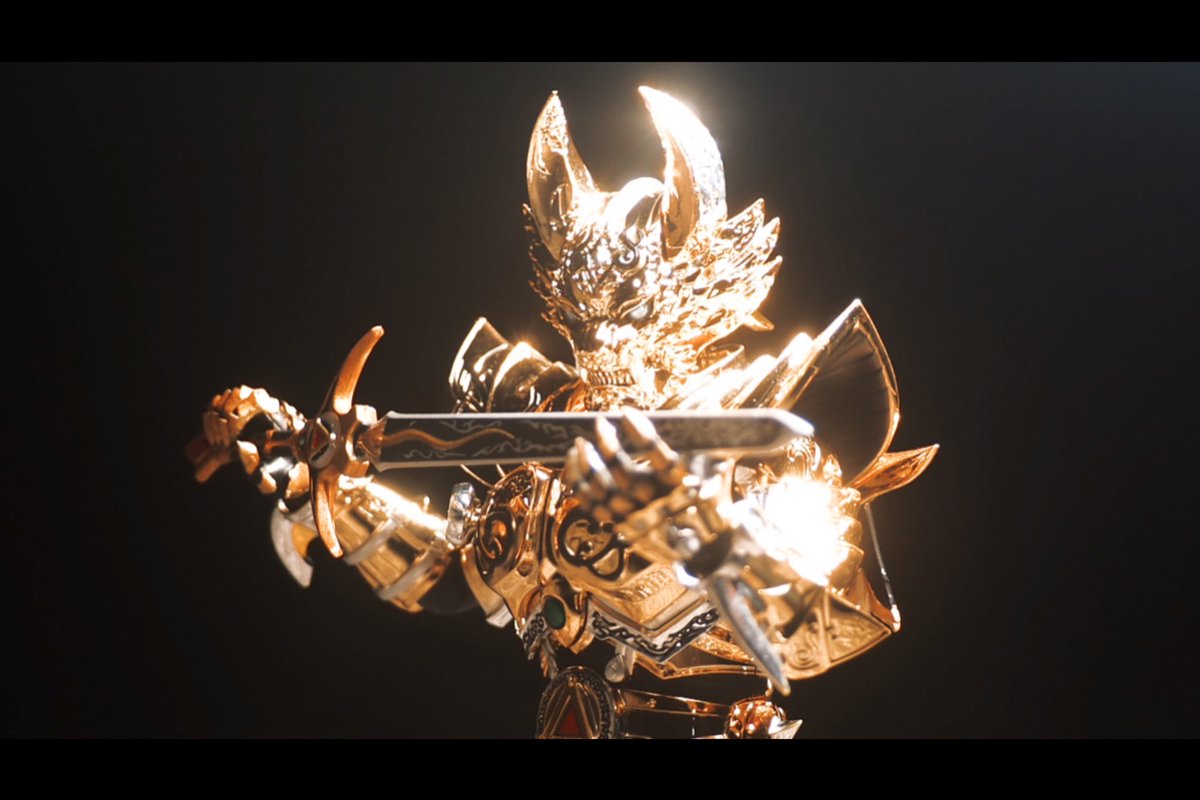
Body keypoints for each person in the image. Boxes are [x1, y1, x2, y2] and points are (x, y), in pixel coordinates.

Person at [189, 87, 937, 739]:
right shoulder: (539, 443)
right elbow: (449, 577)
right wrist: (329, 489)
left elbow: (819, 626)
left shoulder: (751, 436)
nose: (604, 337)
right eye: (586, 309)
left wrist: (682, 522)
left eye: (625, 308)